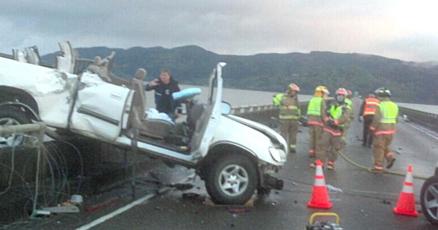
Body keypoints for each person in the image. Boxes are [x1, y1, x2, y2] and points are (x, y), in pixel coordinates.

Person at [312, 88, 351, 170]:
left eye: (342, 95)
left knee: (335, 148)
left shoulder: (346, 107)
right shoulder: (330, 104)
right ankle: (320, 162)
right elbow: (323, 112)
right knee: (322, 145)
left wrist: (337, 122)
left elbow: (345, 117)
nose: (340, 97)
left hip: (337, 130)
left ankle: (331, 162)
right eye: (339, 95)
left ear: (345, 97)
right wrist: (326, 119)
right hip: (328, 128)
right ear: (336, 96)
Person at [370, 87, 398, 172]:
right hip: (391, 130)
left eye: (378, 96)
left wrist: (372, 128)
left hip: (381, 130)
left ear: (382, 96)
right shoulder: (394, 105)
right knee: (384, 146)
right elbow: (396, 119)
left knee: (378, 148)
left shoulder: (380, 105)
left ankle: (378, 167)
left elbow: (377, 118)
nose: (378, 98)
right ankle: (390, 157)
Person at [274, 83, 301, 153]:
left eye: (295, 92)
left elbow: (298, 108)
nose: (294, 93)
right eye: (293, 91)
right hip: (284, 119)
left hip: (294, 120)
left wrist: (299, 117)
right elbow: (275, 103)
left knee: (293, 135)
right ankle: (283, 147)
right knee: (283, 134)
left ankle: (292, 148)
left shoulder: (296, 98)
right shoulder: (282, 97)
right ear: (289, 90)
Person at [306, 85, 329, 158]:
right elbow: (323, 113)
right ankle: (317, 153)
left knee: (312, 137)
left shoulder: (312, 99)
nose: (325, 95)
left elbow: (308, 111)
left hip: (310, 122)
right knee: (318, 138)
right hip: (318, 122)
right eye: (325, 94)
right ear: (321, 93)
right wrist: (326, 122)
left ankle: (311, 152)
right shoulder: (321, 101)